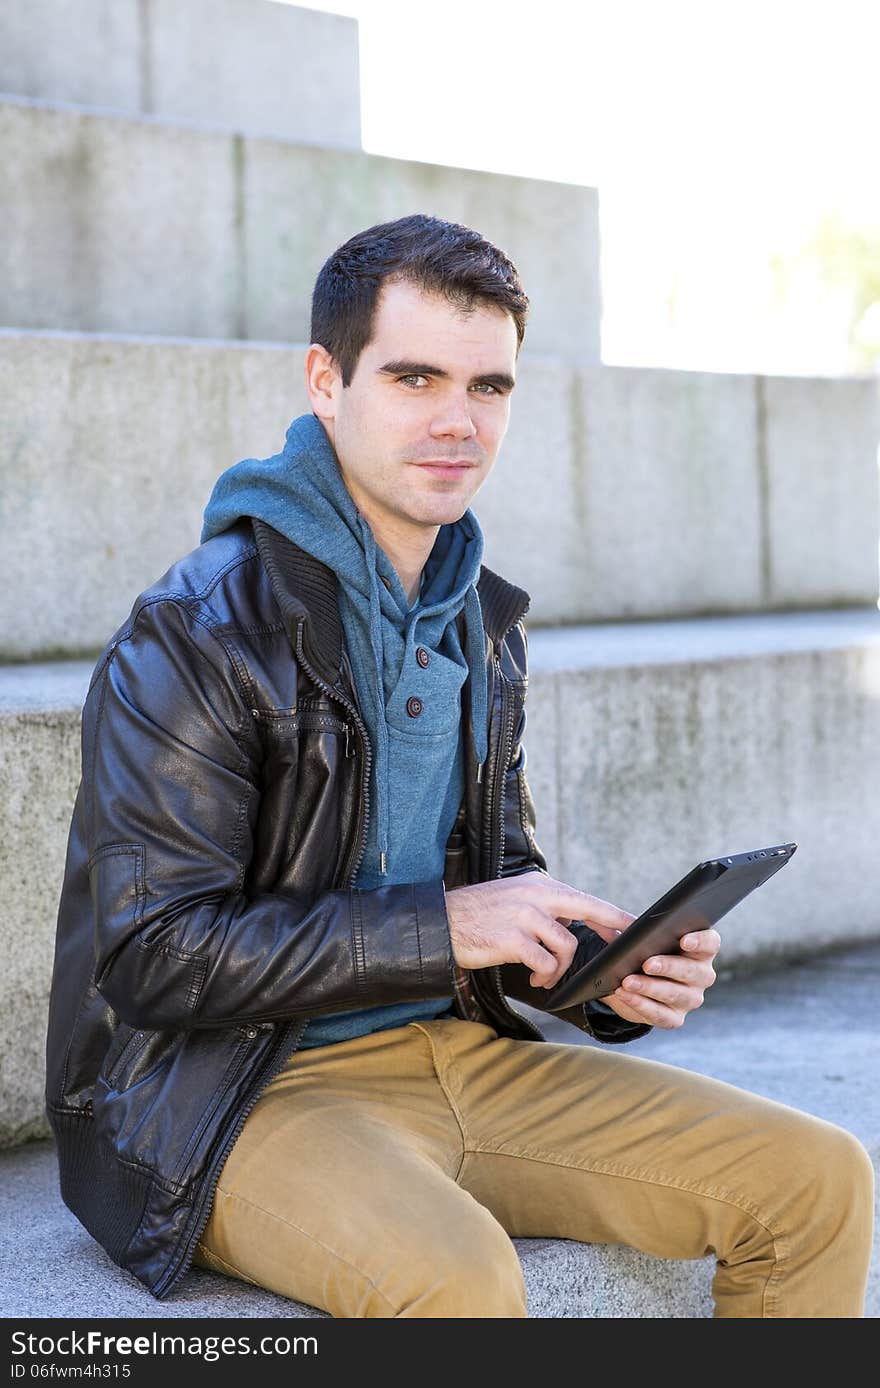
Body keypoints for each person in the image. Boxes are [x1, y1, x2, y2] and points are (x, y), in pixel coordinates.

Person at [45, 214, 873, 1319]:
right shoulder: (200, 626)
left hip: (446, 1046)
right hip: (228, 1095)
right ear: (325, 382)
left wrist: (601, 971)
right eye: (415, 375)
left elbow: (494, 877)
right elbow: (153, 955)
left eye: (489, 386)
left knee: (818, 1178)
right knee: (457, 1278)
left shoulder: (475, 616)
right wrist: (450, 925)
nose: (457, 420)